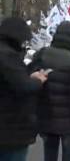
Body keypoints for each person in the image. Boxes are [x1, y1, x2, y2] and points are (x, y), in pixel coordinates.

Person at [30, 21, 70, 161]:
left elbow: (32, 86)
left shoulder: (42, 55)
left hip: (46, 119)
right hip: (69, 125)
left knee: (49, 155)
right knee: (69, 156)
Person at [0, 17, 47, 161]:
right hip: (11, 129)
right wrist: (38, 80)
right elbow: (23, 86)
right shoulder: (6, 55)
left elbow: (12, 80)